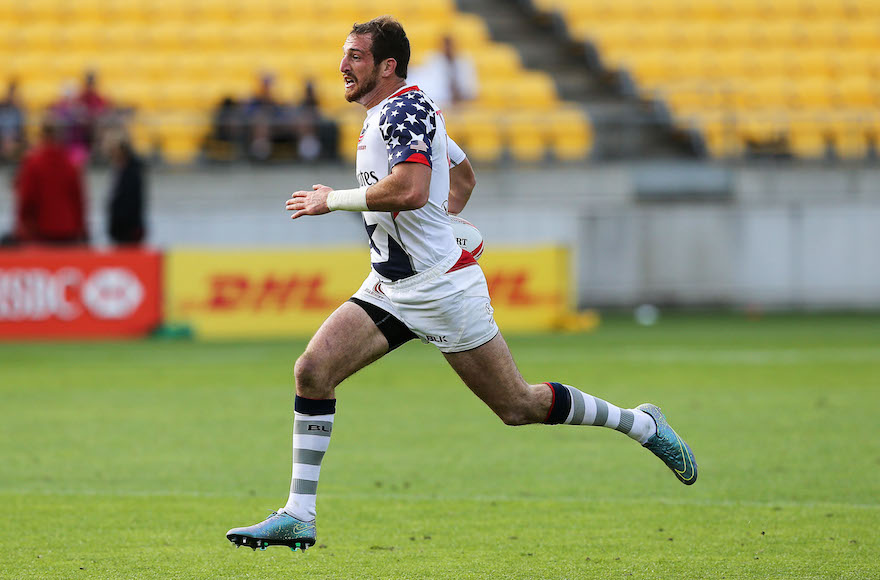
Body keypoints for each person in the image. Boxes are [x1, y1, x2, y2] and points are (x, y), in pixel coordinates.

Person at [226, 16, 697, 552]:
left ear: (387, 65)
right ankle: (299, 515)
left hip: (442, 291)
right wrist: (436, 225)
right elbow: (464, 177)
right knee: (312, 370)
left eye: (355, 56)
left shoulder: (406, 108)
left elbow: (407, 188)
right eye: (344, 54)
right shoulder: (395, 111)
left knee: (518, 406)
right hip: (391, 286)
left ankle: (640, 423)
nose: (342, 65)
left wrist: (331, 200)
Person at [3, 115, 88, 246]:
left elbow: (26, 198)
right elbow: (78, 199)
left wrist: (22, 226)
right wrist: (82, 228)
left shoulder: (33, 164)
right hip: (68, 228)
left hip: (40, 230)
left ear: (42, 136)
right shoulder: (70, 164)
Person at [409, 35, 478, 108]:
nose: (448, 48)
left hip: (461, 101)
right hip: (442, 102)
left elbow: (471, 89)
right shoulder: (434, 61)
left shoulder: (464, 62)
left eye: (450, 45)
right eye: (445, 45)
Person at [104, 130, 146, 245]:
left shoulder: (132, 172)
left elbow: (131, 203)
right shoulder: (118, 169)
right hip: (120, 229)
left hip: (128, 230)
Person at [0, 79, 27, 163]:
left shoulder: (19, 110)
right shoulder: (2, 107)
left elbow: (21, 129)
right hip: (4, 137)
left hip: (15, 138)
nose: (13, 96)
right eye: (11, 93)